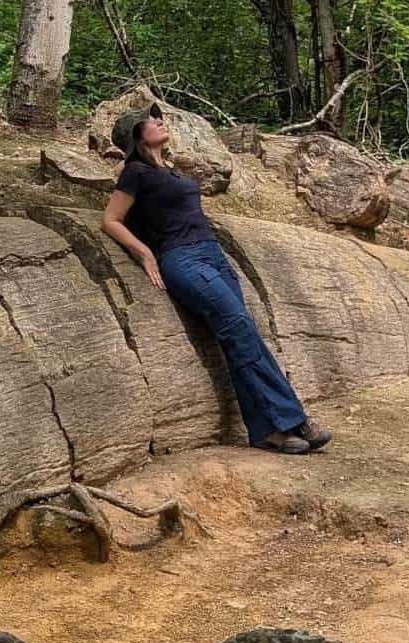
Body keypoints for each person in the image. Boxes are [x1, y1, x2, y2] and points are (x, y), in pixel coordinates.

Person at [101, 103, 331, 455]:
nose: (160, 121)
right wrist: (144, 253)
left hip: (213, 254)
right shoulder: (134, 172)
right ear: (136, 134)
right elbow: (111, 219)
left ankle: (266, 431)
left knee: (242, 335)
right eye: (150, 120)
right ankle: (294, 420)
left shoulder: (172, 171)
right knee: (238, 325)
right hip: (182, 259)